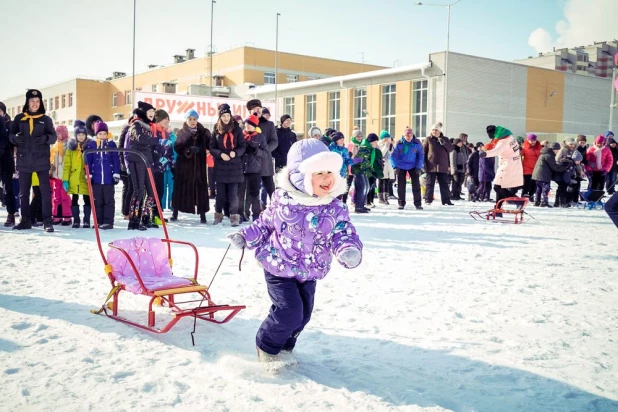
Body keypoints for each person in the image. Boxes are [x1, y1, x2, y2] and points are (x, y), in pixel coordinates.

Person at [228, 138, 363, 364]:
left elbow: (343, 233)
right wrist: (245, 236)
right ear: (301, 176)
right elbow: (264, 224)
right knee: (289, 311)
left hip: (310, 269)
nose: (327, 179)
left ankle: (285, 347)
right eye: (319, 173)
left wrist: (348, 249)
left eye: (329, 172)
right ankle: (267, 347)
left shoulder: (334, 208)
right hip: (278, 265)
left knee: (303, 315)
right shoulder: (282, 201)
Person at [9, 89, 57, 232]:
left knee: (45, 191)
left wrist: (46, 139)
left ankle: (47, 221)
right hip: (24, 160)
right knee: (24, 192)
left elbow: (53, 137)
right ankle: (25, 220)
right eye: (32, 101)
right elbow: (10, 134)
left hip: (41, 160)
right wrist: (15, 139)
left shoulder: (46, 119)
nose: (35, 104)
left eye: (37, 101)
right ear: (27, 102)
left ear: (40, 103)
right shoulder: (19, 118)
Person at [210, 104, 246, 227]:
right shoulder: (215, 128)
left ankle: (234, 217)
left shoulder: (237, 129)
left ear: (230, 116)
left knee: (233, 195)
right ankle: (218, 216)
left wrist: (235, 153)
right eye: (223, 116)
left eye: (227, 115)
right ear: (220, 117)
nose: (226, 118)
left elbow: (243, 146)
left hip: (234, 167)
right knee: (220, 195)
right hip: (220, 167)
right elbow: (212, 147)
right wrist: (220, 154)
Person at [126, 102, 160, 230]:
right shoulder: (136, 124)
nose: (152, 114)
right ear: (144, 112)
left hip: (147, 160)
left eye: (153, 112)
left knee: (151, 192)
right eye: (150, 111)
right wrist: (157, 140)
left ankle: (146, 218)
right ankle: (134, 220)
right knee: (139, 190)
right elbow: (141, 139)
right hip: (137, 159)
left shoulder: (150, 126)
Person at [172, 109, 210, 223]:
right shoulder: (180, 132)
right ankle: (175, 213)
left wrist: (206, 150)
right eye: (190, 119)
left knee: (200, 189)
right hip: (184, 168)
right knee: (180, 190)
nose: (192, 121)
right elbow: (177, 148)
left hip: (199, 167)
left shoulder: (204, 133)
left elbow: (211, 144)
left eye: (194, 119)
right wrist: (188, 150)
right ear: (186, 120)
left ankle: (202, 215)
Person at [85, 121, 120, 229]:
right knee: (97, 201)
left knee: (109, 200)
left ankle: (108, 222)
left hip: (109, 179)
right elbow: (88, 161)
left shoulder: (111, 144)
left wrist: (116, 173)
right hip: (96, 179)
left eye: (104, 133)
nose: (103, 136)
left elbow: (116, 160)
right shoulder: (92, 145)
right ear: (96, 134)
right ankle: (98, 221)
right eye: (100, 134)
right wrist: (89, 174)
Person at [479, 125, 523, 206]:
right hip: (514, 164)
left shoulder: (503, 142)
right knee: (500, 186)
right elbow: (494, 144)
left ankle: (518, 201)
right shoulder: (510, 137)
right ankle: (498, 209)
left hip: (507, 166)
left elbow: (497, 150)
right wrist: (487, 147)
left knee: (497, 187)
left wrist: (485, 153)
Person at [246, 99, 278, 208]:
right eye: (254, 109)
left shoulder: (269, 124)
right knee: (251, 190)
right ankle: (247, 211)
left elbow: (274, 141)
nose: (257, 111)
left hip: (265, 162)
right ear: (249, 111)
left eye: (259, 109)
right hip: (251, 163)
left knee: (271, 189)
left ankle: (276, 208)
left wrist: (264, 150)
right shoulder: (246, 125)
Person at [63, 121, 92, 228]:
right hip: (74, 179)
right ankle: (76, 220)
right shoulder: (71, 149)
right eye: (78, 135)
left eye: (83, 134)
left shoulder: (89, 147)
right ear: (75, 136)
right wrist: (65, 179)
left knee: (87, 199)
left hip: (85, 179)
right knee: (74, 199)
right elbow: (67, 165)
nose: (81, 137)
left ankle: (86, 220)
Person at [240, 114, 268, 222]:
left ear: (254, 126)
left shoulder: (260, 137)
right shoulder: (241, 136)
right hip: (242, 169)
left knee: (254, 193)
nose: (247, 126)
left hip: (255, 169)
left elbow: (265, 153)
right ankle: (243, 213)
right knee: (241, 193)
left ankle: (256, 214)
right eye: (246, 124)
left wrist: (255, 151)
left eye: (249, 124)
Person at [390, 127, 424, 210]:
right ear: (403, 135)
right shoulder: (399, 143)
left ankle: (418, 203)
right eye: (407, 135)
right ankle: (401, 203)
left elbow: (421, 155)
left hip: (413, 166)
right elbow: (393, 156)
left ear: (412, 135)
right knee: (401, 186)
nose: (408, 137)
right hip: (401, 166)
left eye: (410, 135)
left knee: (416, 185)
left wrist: (419, 167)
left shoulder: (417, 143)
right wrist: (395, 166)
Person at [423, 123, 454, 206]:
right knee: (429, 184)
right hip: (431, 165)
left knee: (444, 184)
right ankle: (428, 200)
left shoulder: (445, 139)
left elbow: (451, 149)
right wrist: (424, 164)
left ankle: (446, 200)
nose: (434, 131)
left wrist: (444, 143)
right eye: (433, 130)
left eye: (436, 130)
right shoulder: (428, 139)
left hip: (442, 166)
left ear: (439, 131)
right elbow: (423, 152)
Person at [531, 142, 570, 207]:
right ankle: (544, 202)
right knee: (545, 189)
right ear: (554, 149)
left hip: (537, 175)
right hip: (544, 175)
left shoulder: (544, 154)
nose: (557, 152)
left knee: (538, 189)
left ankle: (537, 201)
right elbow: (554, 167)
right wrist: (564, 168)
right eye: (557, 150)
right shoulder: (549, 155)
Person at [351, 133, 382, 213]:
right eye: (375, 142)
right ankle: (358, 207)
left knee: (367, 187)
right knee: (362, 188)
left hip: (364, 171)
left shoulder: (370, 149)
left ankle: (361, 205)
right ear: (371, 142)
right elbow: (359, 161)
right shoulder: (365, 148)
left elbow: (369, 163)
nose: (376, 144)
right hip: (359, 171)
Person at [328, 132, 360, 204]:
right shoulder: (331, 149)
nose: (342, 140)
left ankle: (340, 207)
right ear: (336, 140)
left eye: (343, 139)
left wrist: (355, 161)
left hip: (343, 173)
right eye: (340, 139)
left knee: (341, 191)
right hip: (334, 173)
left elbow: (347, 161)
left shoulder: (344, 150)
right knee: (333, 192)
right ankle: (332, 206)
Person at [50, 125, 72, 225]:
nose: (57, 136)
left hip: (65, 176)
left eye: (58, 134)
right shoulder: (54, 145)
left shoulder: (68, 145)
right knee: (56, 196)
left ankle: (67, 216)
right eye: (56, 134)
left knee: (65, 196)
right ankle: (57, 216)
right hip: (56, 175)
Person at [0, 102, 17, 227]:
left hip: (6, 161)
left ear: (3, 112)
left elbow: (13, 141)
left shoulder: (9, 125)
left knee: (8, 189)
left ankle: (11, 214)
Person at [118, 121, 133, 220]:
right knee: (128, 187)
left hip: (131, 164)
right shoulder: (126, 130)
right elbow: (121, 149)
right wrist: (124, 164)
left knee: (129, 188)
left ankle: (126, 210)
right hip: (125, 166)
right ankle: (126, 211)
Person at [520, 133, 541, 201]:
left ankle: (531, 195)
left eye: (534, 140)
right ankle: (524, 195)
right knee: (527, 183)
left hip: (536, 168)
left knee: (534, 184)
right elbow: (519, 155)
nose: (533, 142)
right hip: (527, 168)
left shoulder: (539, 147)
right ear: (528, 140)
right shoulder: (524, 148)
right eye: (531, 140)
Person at [377, 130, 394, 205]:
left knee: (387, 181)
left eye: (388, 137)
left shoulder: (389, 144)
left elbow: (391, 153)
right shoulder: (379, 145)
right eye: (385, 138)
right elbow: (381, 154)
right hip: (381, 166)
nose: (386, 139)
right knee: (381, 182)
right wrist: (386, 146)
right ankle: (380, 197)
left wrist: (390, 146)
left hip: (388, 166)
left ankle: (386, 197)